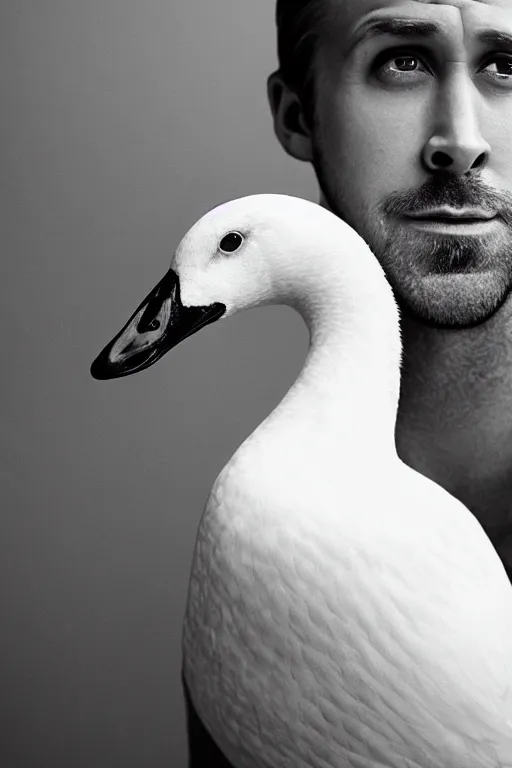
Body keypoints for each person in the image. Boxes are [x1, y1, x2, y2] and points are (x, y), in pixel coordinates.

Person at [184, 0, 512, 763]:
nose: (459, 143)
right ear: (299, 115)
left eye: (511, 67)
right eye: (402, 60)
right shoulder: (260, 558)